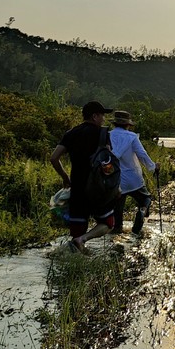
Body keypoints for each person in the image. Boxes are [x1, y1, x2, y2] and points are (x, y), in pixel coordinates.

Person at [50, 100, 117, 251]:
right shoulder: (102, 133)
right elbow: (107, 163)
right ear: (94, 116)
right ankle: (84, 239)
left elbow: (54, 158)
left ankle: (78, 249)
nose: (103, 119)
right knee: (108, 223)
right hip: (97, 188)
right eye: (102, 116)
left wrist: (65, 177)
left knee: (76, 231)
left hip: (77, 187)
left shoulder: (71, 133)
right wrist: (114, 186)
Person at [108, 110, 160, 235]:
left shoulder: (108, 135)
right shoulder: (132, 137)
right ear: (128, 125)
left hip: (116, 179)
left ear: (114, 123)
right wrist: (153, 167)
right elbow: (142, 155)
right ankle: (141, 212)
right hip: (133, 178)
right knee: (146, 198)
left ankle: (117, 229)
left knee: (118, 209)